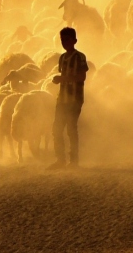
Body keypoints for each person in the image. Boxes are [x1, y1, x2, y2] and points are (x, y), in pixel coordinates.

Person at [50, 27, 88, 169]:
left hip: (75, 99)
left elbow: (82, 77)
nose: (64, 42)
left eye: (67, 39)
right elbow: (64, 75)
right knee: (57, 128)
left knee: (71, 128)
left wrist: (63, 79)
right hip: (62, 99)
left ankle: (74, 161)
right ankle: (60, 160)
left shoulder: (80, 57)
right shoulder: (62, 58)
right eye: (62, 40)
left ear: (74, 40)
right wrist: (59, 80)